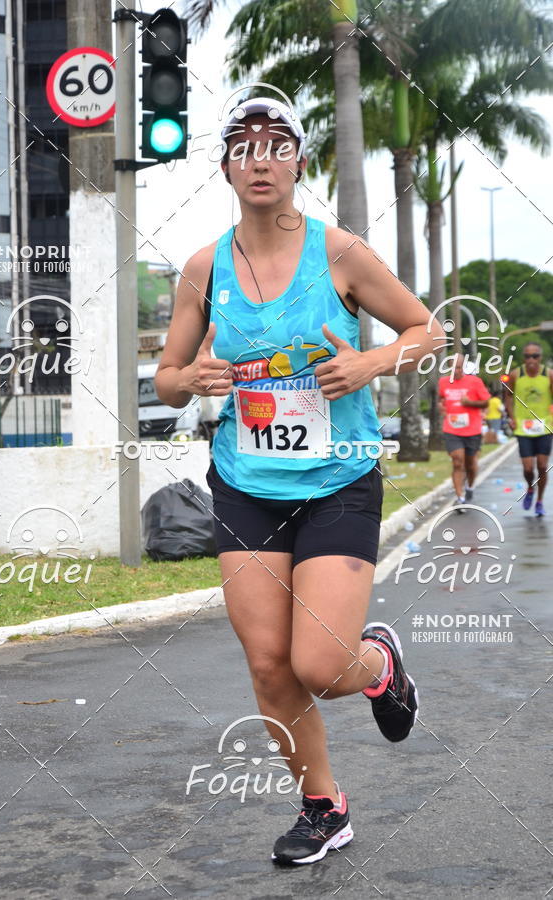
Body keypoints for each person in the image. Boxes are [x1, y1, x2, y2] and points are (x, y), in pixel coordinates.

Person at [155, 95, 443, 866]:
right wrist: (195, 378)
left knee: (321, 664)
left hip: (337, 481)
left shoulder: (341, 253)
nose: (259, 159)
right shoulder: (203, 267)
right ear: (224, 167)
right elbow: (166, 379)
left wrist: (372, 361)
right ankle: (324, 806)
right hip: (247, 482)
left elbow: (426, 330)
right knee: (268, 664)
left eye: (276, 144)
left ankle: (377, 666)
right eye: (243, 147)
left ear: (299, 162)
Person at [503, 341, 553, 516]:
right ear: (523, 358)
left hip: (544, 427)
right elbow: (508, 397)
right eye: (527, 356)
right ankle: (530, 489)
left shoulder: (549, 375)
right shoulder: (516, 375)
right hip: (523, 428)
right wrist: (511, 417)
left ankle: (539, 500)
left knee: (542, 465)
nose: (531, 360)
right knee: (527, 469)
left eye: (535, 356)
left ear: (540, 357)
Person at [438, 355, 490, 508]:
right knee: (457, 460)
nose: (456, 371)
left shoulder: (475, 382)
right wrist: (441, 407)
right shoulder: (443, 382)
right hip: (452, 428)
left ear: (463, 367)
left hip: (472, 429)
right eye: (453, 368)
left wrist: (470, 403)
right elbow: (441, 398)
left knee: (471, 465)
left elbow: (487, 401)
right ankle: (460, 497)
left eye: (459, 367)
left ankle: (470, 486)